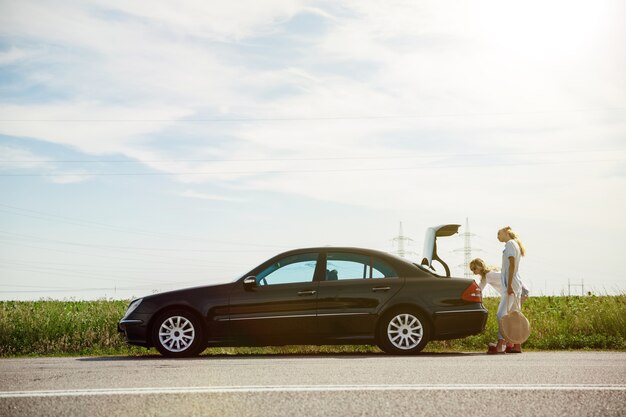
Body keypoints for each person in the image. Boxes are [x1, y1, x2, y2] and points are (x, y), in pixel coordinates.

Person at [469, 256, 529, 353]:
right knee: (513, 317)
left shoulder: (488, 275)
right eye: (472, 269)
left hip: (514, 291)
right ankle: (515, 345)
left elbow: (479, 289)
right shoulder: (490, 275)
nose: (473, 271)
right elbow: (479, 290)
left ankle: (501, 345)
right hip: (519, 290)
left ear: (480, 266)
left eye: (474, 268)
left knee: (501, 315)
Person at [490, 226, 526, 354]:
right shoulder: (514, 244)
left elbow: (512, 264)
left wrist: (509, 284)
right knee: (514, 314)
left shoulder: (510, 243)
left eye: (498, 233)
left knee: (501, 314)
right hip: (515, 282)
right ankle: (517, 345)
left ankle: (500, 345)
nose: (497, 237)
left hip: (511, 283)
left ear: (506, 232)